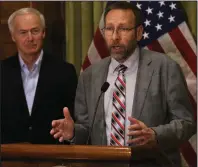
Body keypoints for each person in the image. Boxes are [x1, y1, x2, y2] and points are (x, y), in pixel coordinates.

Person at [50, 2, 196, 166]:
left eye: (123, 29)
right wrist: (73, 132)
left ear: (139, 32)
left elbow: (186, 123)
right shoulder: (90, 75)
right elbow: (88, 130)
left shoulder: (165, 68)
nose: (115, 37)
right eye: (109, 29)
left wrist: (155, 135)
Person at [1, 8, 77, 144]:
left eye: (35, 31)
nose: (30, 38)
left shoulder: (65, 71)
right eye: (23, 32)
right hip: (9, 157)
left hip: (52, 156)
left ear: (43, 33)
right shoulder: (3, 71)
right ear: (13, 36)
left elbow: (73, 119)